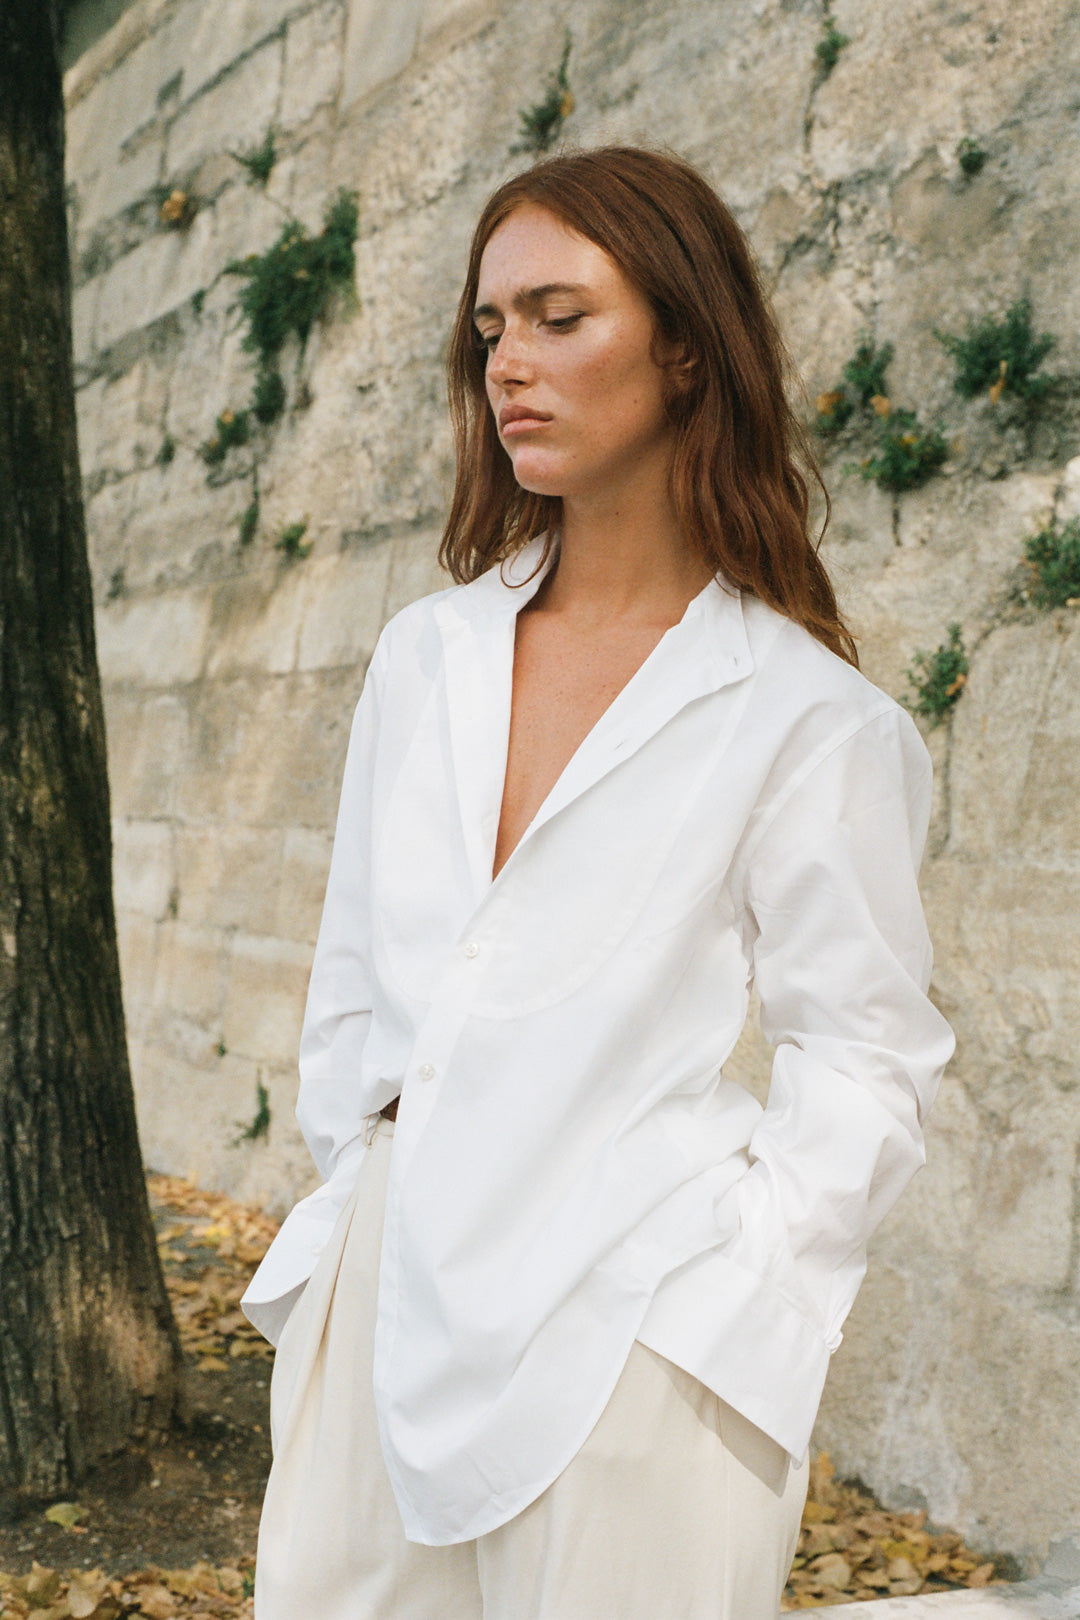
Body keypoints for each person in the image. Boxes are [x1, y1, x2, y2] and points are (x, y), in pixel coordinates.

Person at [242, 146, 956, 1619]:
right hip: (381, 1304)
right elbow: (355, 981)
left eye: (560, 317)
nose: (509, 362)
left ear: (684, 347)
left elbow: (867, 1056)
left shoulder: (810, 720)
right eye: (491, 326)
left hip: (637, 1334)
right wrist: (354, 1214)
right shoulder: (425, 660)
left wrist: (720, 1315)